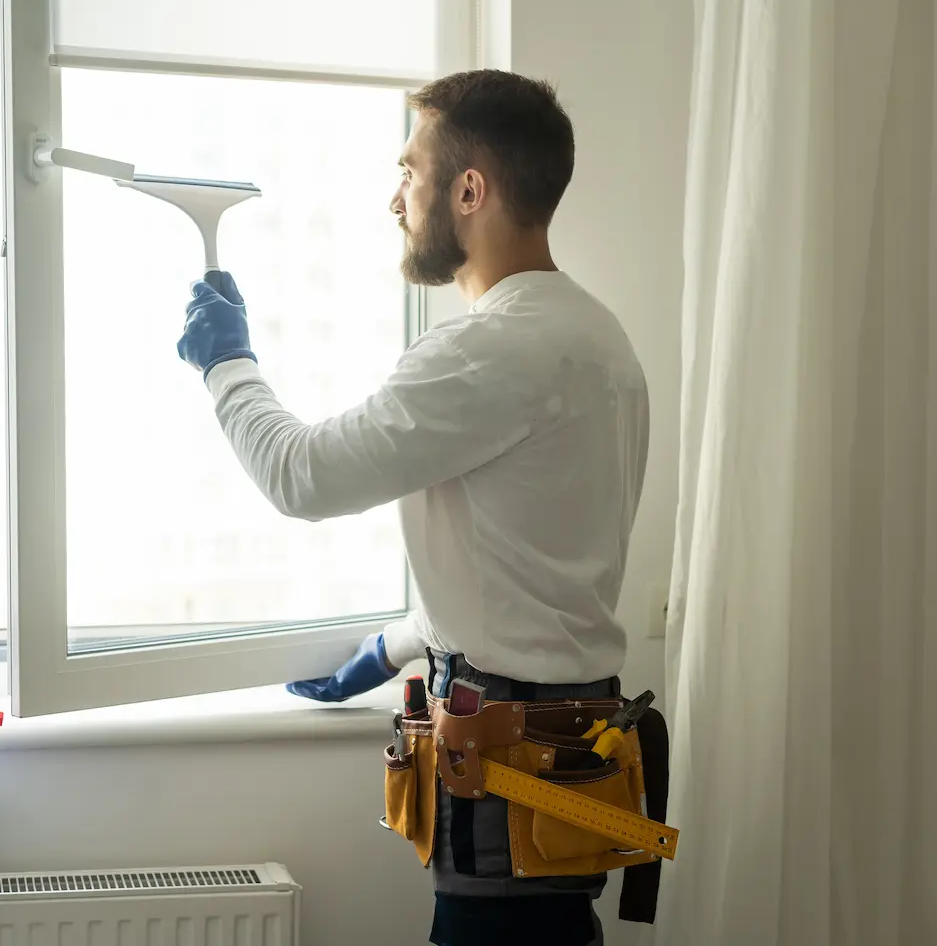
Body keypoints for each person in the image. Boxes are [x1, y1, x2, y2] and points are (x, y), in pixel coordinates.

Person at [176, 69, 649, 946]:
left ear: (469, 189)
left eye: (409, 171)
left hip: (508, 768)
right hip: (562, 749)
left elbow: (303, 475)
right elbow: (530, 563)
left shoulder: (490, 349)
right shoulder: (598, 337)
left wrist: (226, 365)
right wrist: (393, 644)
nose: (396, 198)